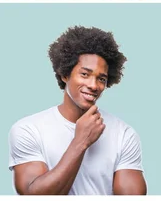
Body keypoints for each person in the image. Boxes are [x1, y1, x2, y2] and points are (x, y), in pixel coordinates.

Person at [9, 26, 146, 195]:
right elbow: (33, 194)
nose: (93, 85)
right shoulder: (28, 129)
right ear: (65, 74)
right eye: (85, 74)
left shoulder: (124, 134)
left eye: (101, 79)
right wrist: (80, 141)